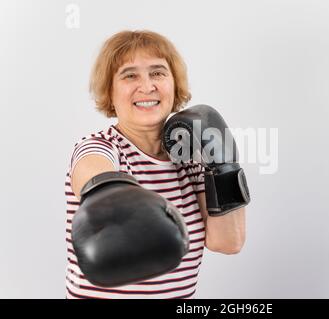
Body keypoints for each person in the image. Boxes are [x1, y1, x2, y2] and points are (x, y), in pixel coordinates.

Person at [64, 30, 248, 299]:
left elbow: (228, 242)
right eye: (130, 75)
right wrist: (107, 194)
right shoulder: (100, 147)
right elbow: (92, 171)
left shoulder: (192, 163)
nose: (147, 86)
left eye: (158, 73)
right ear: (110, 91)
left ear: (174, 85)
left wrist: (224, 165)